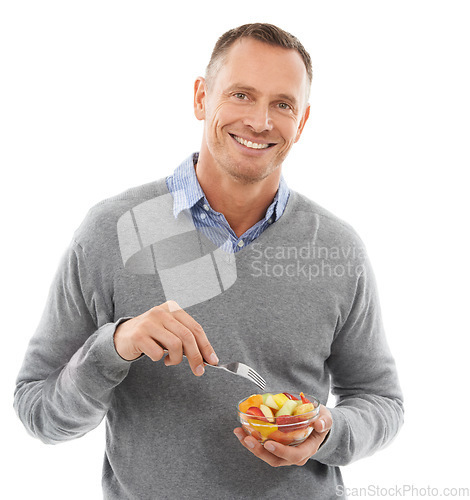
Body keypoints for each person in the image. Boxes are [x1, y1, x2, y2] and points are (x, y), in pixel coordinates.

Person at [14, 23, 403, 499]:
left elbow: (380, 401)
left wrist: (328, 431)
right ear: (201, 97)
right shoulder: (110, 232)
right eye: (241, 94)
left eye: (283, 104)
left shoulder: (338, 249)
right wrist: (115, 345)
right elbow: (39, 413)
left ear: (301, 122)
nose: (260, 121)